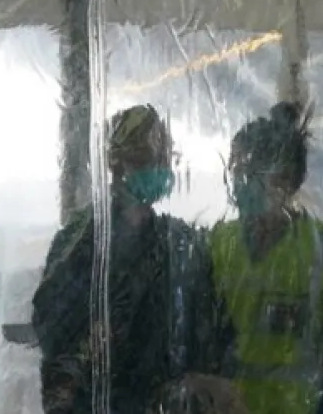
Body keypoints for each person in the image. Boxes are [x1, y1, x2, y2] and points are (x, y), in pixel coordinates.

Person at [33, 104, 236, 414]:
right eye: (146, 156)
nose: (159, 165)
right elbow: (54, 331)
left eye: (165, 156)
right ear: (117, 164)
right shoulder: (80, 243)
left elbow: (210, 332)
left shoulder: (178, 243)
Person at [208, 102, 323, 414]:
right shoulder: (218, 244)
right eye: (236, 172)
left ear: (286, 181)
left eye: (251, 174)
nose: (239, 184)